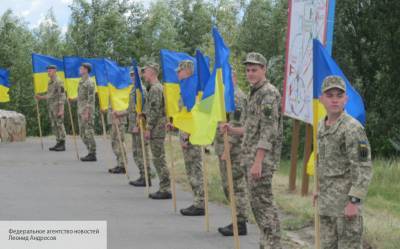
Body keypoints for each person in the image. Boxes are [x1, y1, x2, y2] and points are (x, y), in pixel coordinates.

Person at [221, 52, 283, 249]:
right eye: (248, 70)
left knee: (264, 205)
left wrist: (258, 161)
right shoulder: (254, 92)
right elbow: (250, 128)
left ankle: (273, 244)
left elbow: (269, 130)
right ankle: (266, 242)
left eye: (254, 70)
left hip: (261, 161)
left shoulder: (268, 93)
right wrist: (231, 129)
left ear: (264, 70)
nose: (250, 73)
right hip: (250, 158)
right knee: (256, 205)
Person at [314, 75, 372, 249]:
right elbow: (323, 161)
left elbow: (363, 167)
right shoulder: (321, 126)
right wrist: (318, 188)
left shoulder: (352, 128)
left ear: (345, 99)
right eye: (329, 95)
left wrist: (354, 201)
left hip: (345, 206)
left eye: (339, 96)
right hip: (326, 204)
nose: (334, 100)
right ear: (322, 99)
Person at [215, 70, 248, 235]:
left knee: (235, 186)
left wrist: (227, 150)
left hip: (234, 150)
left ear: (234, 78)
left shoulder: (236, 97)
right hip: (225, 147)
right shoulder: (226, 96)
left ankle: (240, 222)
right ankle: (236, 219)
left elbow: (236, 124)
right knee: (228, 186)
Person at [173, 60, 205, 216]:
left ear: (188, 71)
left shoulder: (191, 87)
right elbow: (184, 113)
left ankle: (200, 203)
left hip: (192, 135)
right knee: (190, 169)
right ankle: (197, 200)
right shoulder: (185, 87)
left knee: (195, 168)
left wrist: (187, 134)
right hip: (186, 133)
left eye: (179, 71)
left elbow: (194, 114)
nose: (177, 73)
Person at [142, 63, 171, 199]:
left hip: (156, 128)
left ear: (152, 73)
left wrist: (148, 127)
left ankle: (165, 188)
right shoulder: (156, 88)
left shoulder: (155, 89)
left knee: (159, 158)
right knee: (158, 158)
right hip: (157, 127)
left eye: (145, 72)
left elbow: (154, 110)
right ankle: (164, 186)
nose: (144, 75)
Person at [127, 69, 151, 186]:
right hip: (133, 124)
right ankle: (143, 175)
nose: (132, 77)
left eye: (134, 75)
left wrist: (138, 125)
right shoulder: (133, 89)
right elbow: (131, 108)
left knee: (141, 152)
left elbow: (142, 110)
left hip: (139, 126)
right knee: (136, 152)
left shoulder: (141, 90)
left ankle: (146, 177)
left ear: (140, 75)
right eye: (131, 75)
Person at [35, 65, 66, 151]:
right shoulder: (50, 82)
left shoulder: (58, 81)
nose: (48, 72)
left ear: (55, 71)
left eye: (50, 70)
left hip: (57, 107)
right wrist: (40, 97)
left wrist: (61, 109)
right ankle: (58, 142)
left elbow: (62, 96)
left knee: (59, 124)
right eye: (47, 70)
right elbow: (50, 95)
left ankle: (62, 143)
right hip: (51, 107)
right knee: (54, 125)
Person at [77, 63, 97, 162]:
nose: (80, 69)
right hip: (81, 110)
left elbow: (91, 98)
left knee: (88, 132)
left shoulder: (90, 82)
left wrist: (87, 112)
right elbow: (82, 97)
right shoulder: (81, 82)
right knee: (82, 133)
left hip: (87, 110)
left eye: (81, 68)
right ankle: (90, 151)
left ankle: (92, 153)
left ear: (86, 70)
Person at [107, 106, 128, 174]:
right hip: (114, 118)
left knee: (119, 142)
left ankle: (122, 165)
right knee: (114, 142)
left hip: (119, 119)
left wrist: (119, 115)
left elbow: (122, 103)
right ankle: (120, 164)